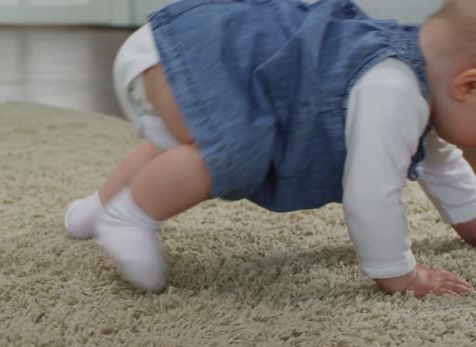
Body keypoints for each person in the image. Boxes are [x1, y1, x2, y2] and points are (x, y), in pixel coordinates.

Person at [64, 0, 476, 298]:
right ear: (467, 85)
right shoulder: (396, 91)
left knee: (184, 143)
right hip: (197, 53)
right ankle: (130, 217)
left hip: (169, 46)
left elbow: (441, 165)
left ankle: (96, 209)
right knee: (231, 151)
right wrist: (399, 275)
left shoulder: (419, 88)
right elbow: (371, 195)